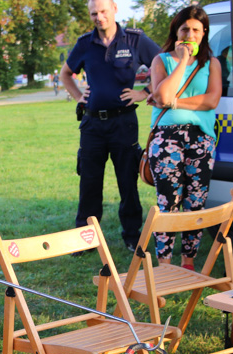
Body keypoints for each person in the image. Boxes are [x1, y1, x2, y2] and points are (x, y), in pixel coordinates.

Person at [60, 0, 160, 251]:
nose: (99, 17)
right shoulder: (85, 43)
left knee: (127, 181)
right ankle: (86, 239)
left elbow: (163, 66)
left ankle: (132, 235)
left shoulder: (135, 40)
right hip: (92, 124)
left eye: (103, 11)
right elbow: (65, 73)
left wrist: (145, 92)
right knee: (89, 182)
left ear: (115, 9)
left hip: (123, 123)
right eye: (94, 13)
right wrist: (78, 95)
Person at [146, 5, 222, 270]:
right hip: (167, 139)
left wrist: (175, 102)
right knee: (168, 202)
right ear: (176, 32)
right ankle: (164, 264)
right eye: (185, 29)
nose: (191, 35)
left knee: (196, 203)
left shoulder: (212, 64)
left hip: (200, 139)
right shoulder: (161, 60)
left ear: (204, 34)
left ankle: (188, 262)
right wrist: (180, 62)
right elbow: (162, 96)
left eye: (196, 30)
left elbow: (211, 100)